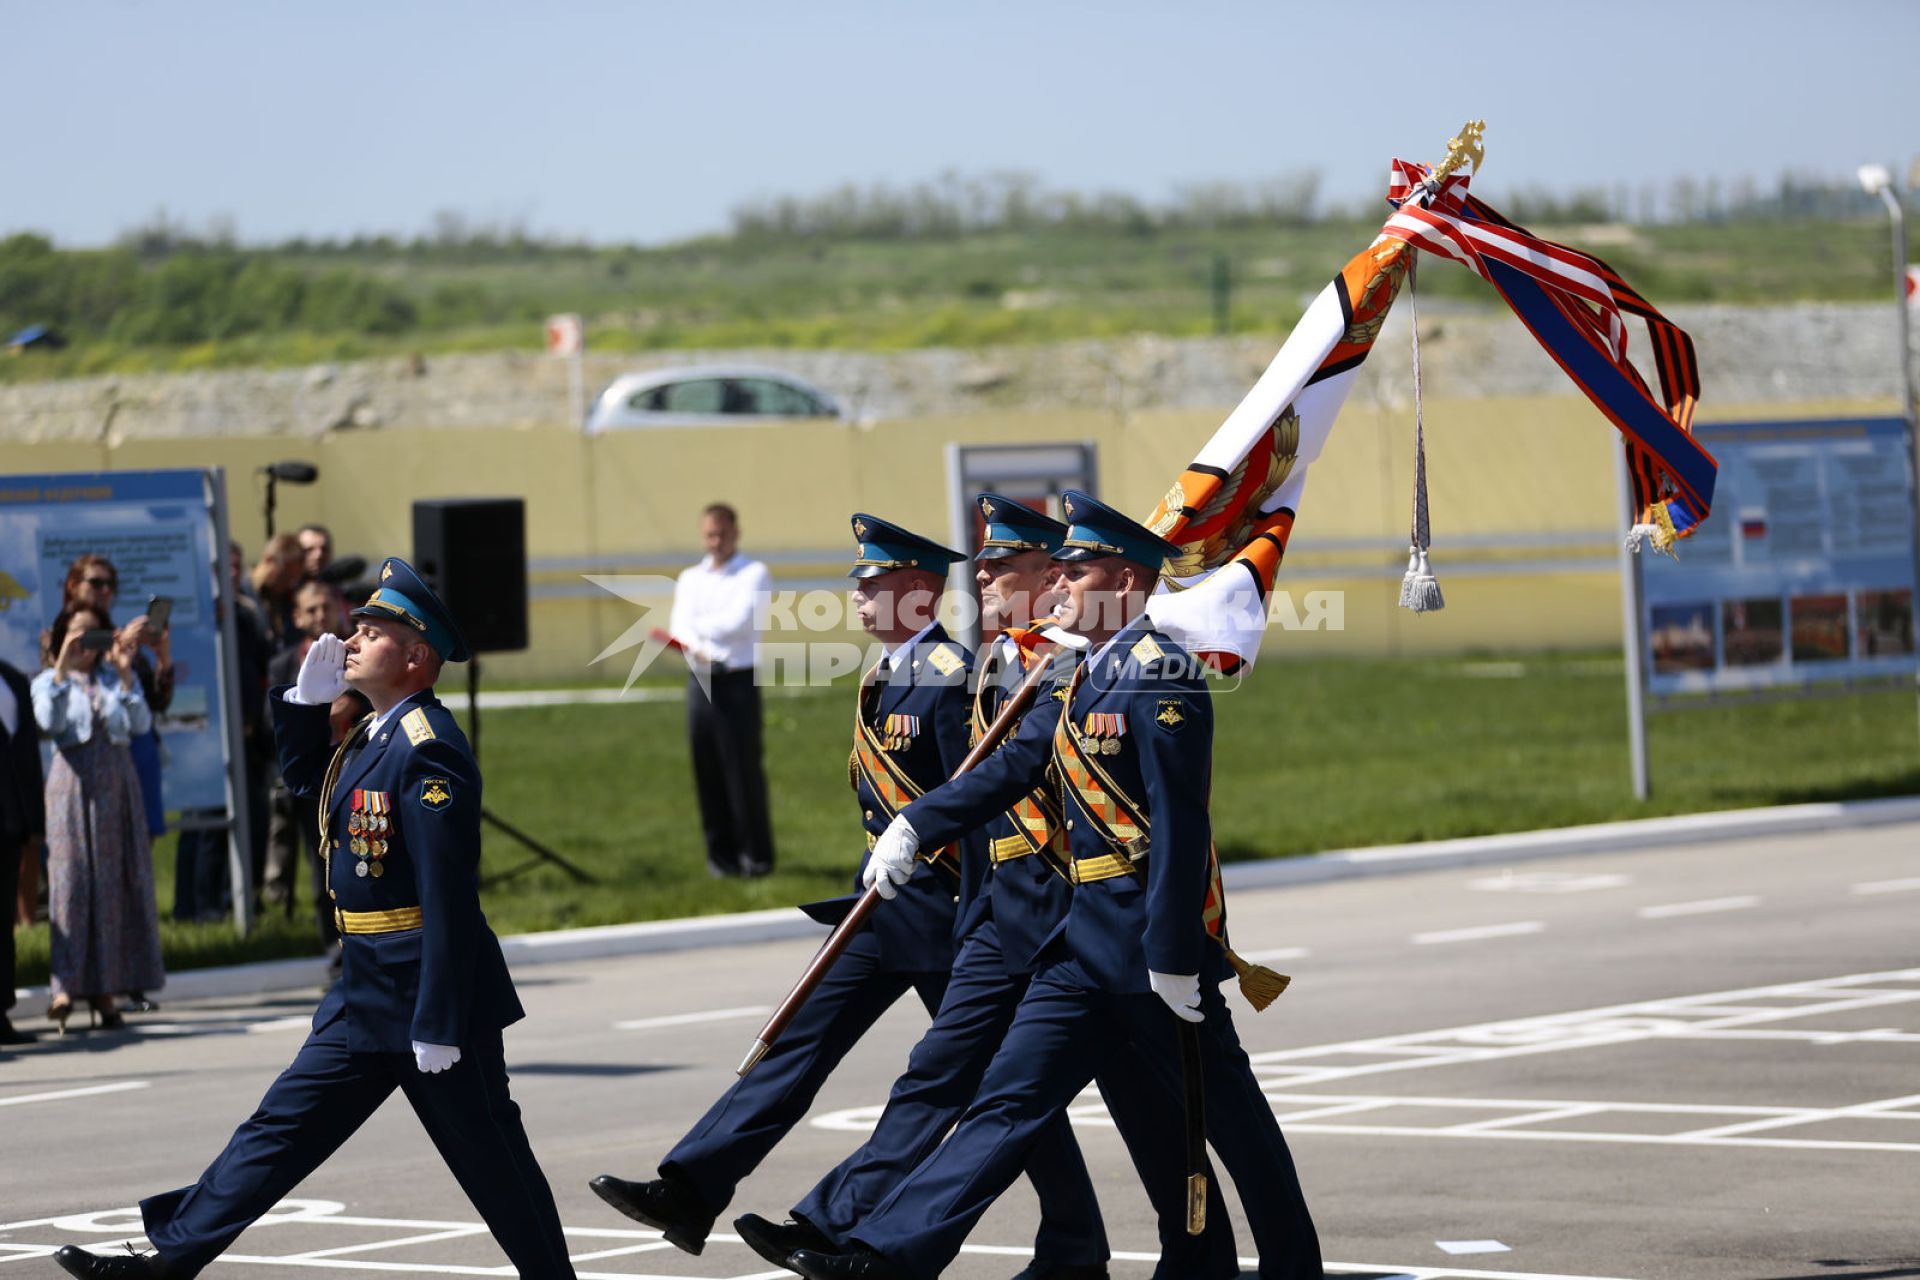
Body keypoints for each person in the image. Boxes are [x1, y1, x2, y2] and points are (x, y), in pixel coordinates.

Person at [787, 491, 1322, 1280]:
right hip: (1077, 949)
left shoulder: (1161, 674)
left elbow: (1179, 828)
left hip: (1152, 953)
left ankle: (1290, 1264)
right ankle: (884, 1254)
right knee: (1004, 1104)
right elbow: (1009, 768)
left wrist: (1175, 952)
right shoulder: (1077, 676)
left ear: (1126, 581)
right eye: (1062, 569)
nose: (1062, 583)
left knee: (1229, 1125)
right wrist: (919, 823)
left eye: (1077, 569)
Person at [53, 557, 577, 1280]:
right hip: (364, 992)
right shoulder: (374, 733)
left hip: (429, 1000)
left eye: (374, 630)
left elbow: (449, 898)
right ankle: (167, 1263)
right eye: (356, 625)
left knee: (494, 1166)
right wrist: (305, 701)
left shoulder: (429, 749)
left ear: (417, 655)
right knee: (276, 1133)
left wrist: (437, 1020)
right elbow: (305, 780)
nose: (353, 638)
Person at [589, 515, 988, 1256]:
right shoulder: (886, 671)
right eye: (859, 585)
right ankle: (691, 1187)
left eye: (875, 584)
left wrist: (961, 887)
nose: (861, 598)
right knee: (796, 1042)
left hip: (947, 915)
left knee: (978, 1088)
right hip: (883, 907)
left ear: (922, 591)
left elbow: (986, 802)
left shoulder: (949, 676)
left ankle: (1069, 1237)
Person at [31, 605, 166, 1034]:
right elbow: (47, 723)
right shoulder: (47, 684)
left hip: (116, 786)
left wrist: (125, 674)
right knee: (70, 886)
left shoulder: (111, 682)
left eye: (94, 636)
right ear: (60, 639)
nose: (87, 646)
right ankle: (64, 987)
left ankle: (108, 992)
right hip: (71, 785)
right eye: (78, 636)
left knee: (112, 886)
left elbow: (140, 723)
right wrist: (61, 668)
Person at [668, 502, 777, 877]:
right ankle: (721, 858)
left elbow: (740, 621)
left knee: (742, 770)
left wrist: (700, 627)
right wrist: (695, 633)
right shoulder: (689, 578)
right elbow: (679, 625)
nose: (715, 542)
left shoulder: (754, 573)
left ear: (735, 533)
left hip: (736, 681)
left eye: (722, 534)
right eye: (709, 535)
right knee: (707, 769)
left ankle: (756, 857)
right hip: (700, 680)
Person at [262, 581, 350, 918]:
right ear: (297, 617)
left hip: (350, 767)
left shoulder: (356, 655)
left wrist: (349, 702)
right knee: (320, 859)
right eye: (311, 609)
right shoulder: (283, 663)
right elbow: (270, 720)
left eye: (326, 607)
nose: (320, 615)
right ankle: (331, 941)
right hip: (311, 775)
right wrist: (308, 706)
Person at [0, 656, 47, 1046]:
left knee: (3, 924)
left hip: (8, 820)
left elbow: (27, 756)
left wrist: (34, 820)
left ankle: (1, 1012)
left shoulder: (13, 680)